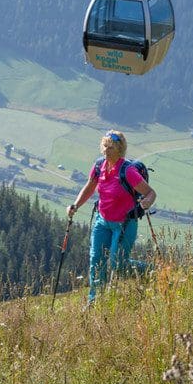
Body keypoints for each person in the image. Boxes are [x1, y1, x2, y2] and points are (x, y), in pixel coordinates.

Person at [66, 130, 156, 304]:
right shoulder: (99, 166)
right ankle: (95, 302)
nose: (106, 151)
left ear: (120, 149)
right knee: (96, 261)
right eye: (105, 146)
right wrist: (75, 206)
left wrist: (144, 205)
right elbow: (89, 188)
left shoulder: (127, 171)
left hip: (124, 223)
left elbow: (151, 193)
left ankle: (152, 272)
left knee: (117, 264)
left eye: (111, 147)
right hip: (102, 221)